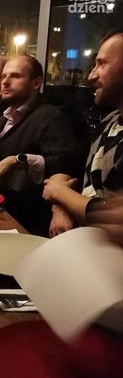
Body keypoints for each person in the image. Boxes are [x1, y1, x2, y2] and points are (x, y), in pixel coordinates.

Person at [0, 54, 80, 236]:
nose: (5, 82)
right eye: (4, 76)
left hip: (27, 224)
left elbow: (64, 166)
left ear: (36, 83)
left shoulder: (50, 118)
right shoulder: (4, 119)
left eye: (15, 76)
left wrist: (17, 160)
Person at [43, 29, 123, 236]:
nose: (91, 75)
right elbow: (68, 161)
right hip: (85, 244)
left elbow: (118, 219)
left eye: (102, 64)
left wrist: (59, 192)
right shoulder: (111, 121)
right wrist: (60, 206)